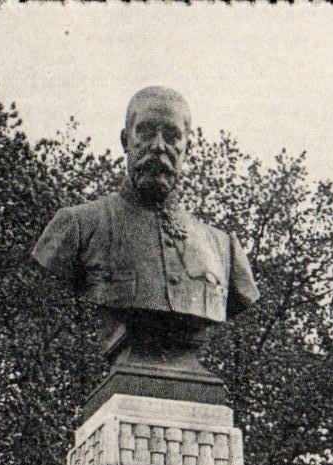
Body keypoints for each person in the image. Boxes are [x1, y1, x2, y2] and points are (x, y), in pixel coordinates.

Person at [31, 86, 258, 365]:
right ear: (126, 140)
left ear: (188, 147)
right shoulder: (77, 226)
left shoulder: (225, 249)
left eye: (171, 135)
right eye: (146, 132)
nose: (158, 146)